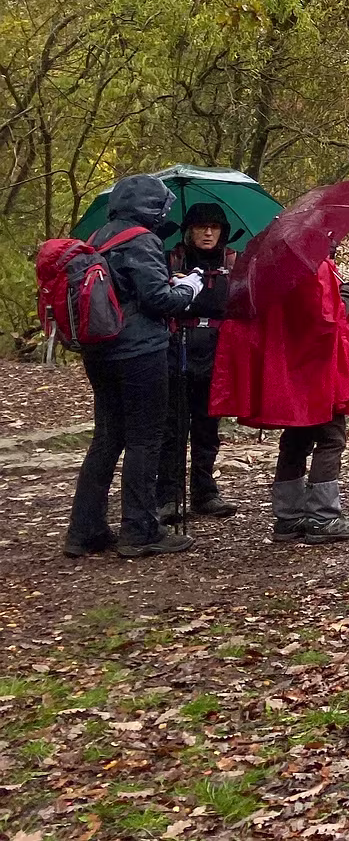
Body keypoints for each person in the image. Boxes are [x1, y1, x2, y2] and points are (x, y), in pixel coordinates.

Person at [63, 174, 202, 559]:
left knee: (107, 437)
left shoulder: (97, 238)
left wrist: (166, 282)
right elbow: (159, 300)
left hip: (100, 351)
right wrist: (189, 287)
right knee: (145, 439)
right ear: (150, 208)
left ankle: (84, 530)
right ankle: (140, 531)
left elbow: (125, 290)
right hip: (140, 352)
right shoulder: (142, 239)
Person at [209, 258, 349, 544]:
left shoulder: (273, 266)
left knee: (296, 438)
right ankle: (323, 517)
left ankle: (288, 516)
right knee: (331, 438)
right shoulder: (315, 266)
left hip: (291, 365)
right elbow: (326, 317)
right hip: (317, 369)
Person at [159, 203, 238, 522]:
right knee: (173, 426)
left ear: (222, 232)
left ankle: (205, 493)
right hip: (176, 347)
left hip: (217, 350)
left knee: (207, 426)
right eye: (201, 227)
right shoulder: (171, 260)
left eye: (214, 227)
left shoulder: (232, 262)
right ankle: (168, 496)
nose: (208, 233)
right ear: (189, 231)